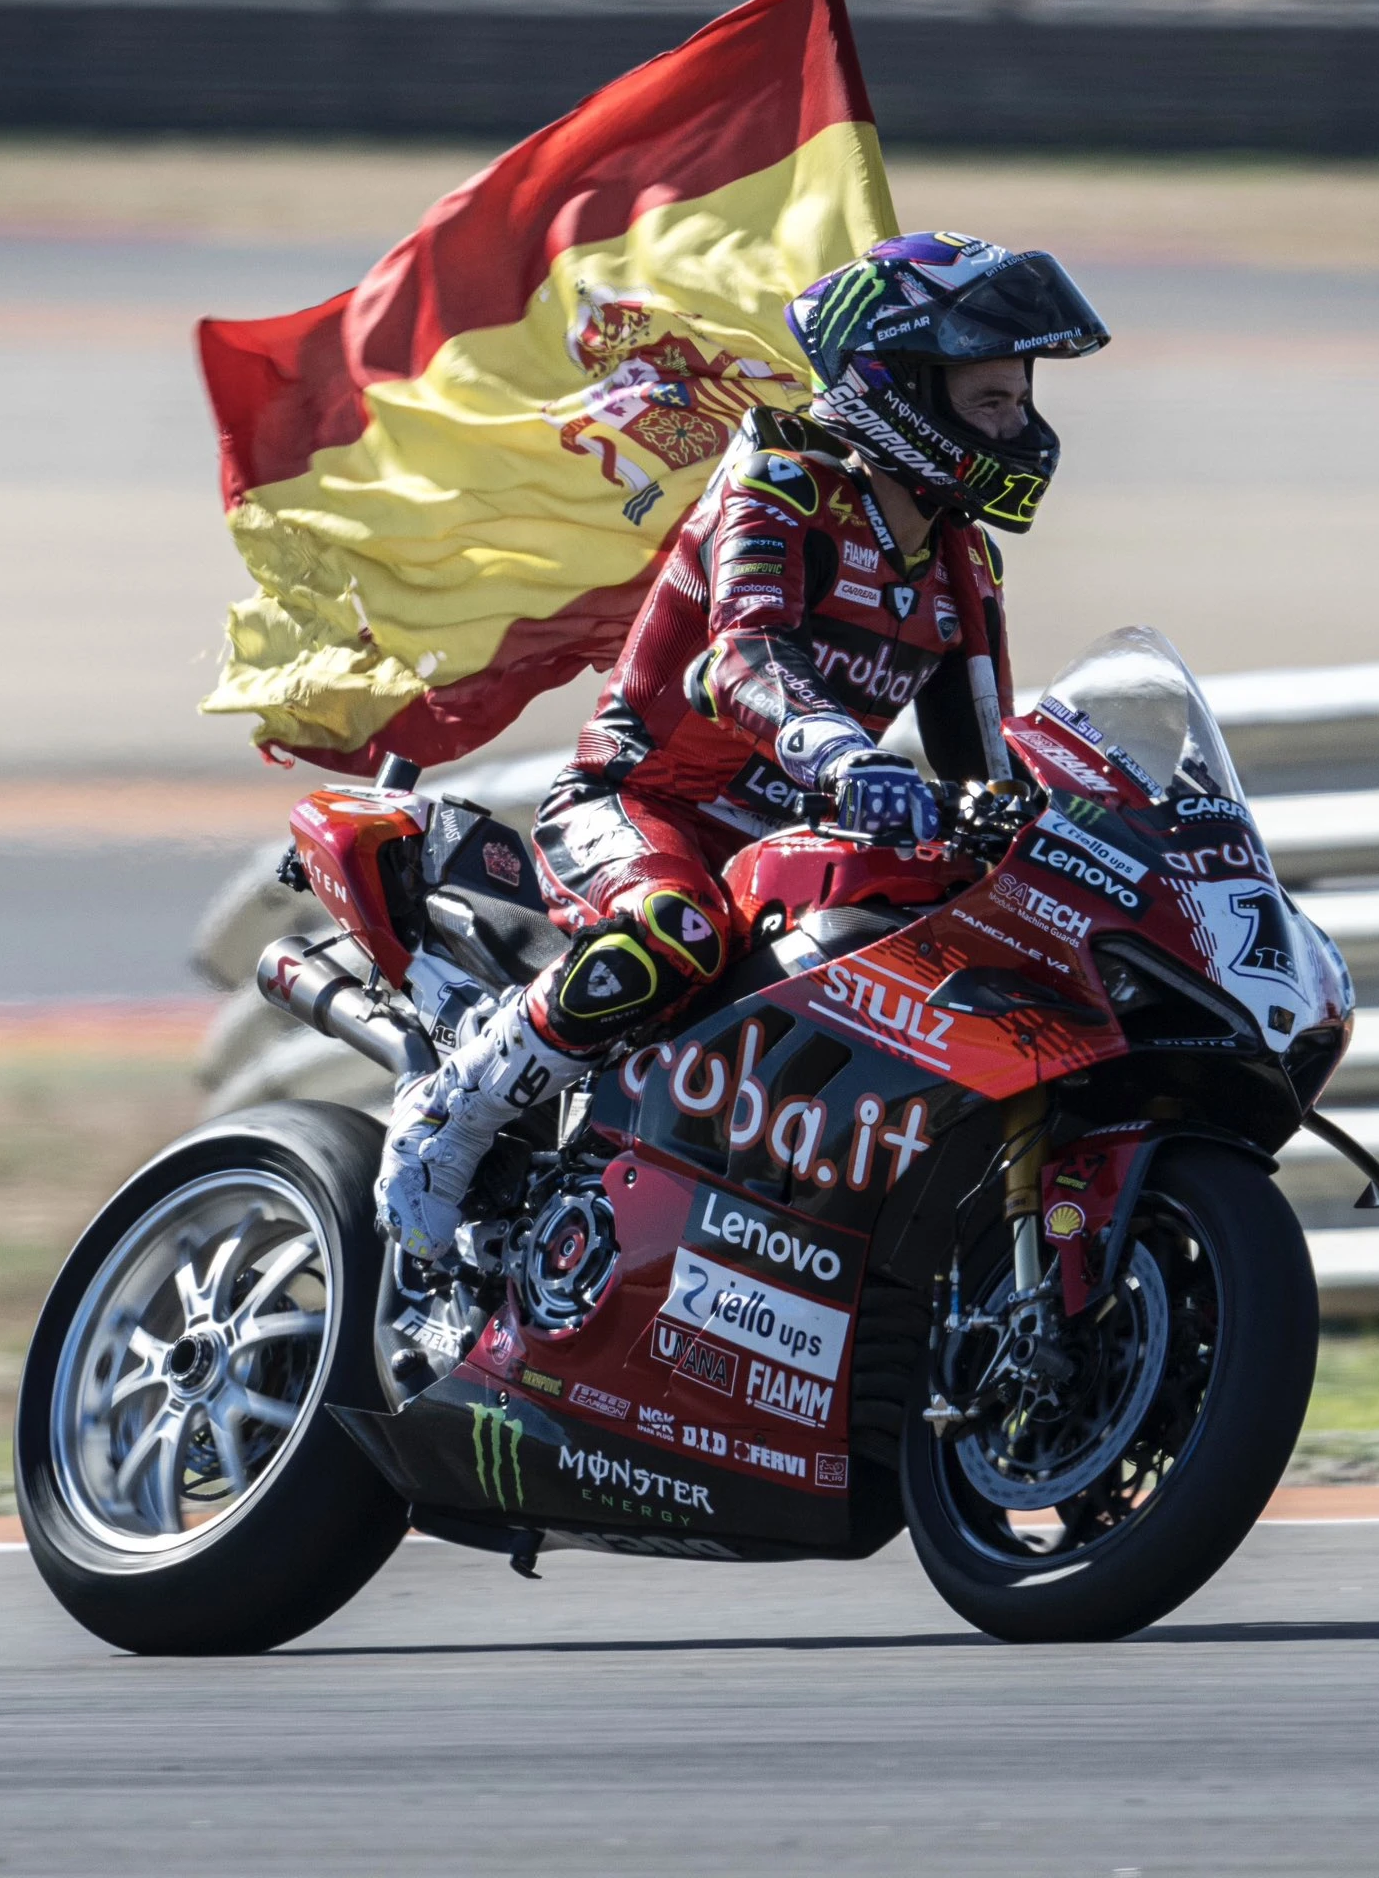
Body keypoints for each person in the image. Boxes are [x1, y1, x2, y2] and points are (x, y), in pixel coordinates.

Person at [374, 232, 1110, 1267]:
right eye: (992, 403)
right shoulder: (781, 484)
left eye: (1020, 399)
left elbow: (989, 767)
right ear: (901, 390)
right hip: (638, 806)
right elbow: (738, 662)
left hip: (784, 853)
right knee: (677, 930)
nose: (1022, 428)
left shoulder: (961, 563)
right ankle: (445, 1125)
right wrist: (851, 763)